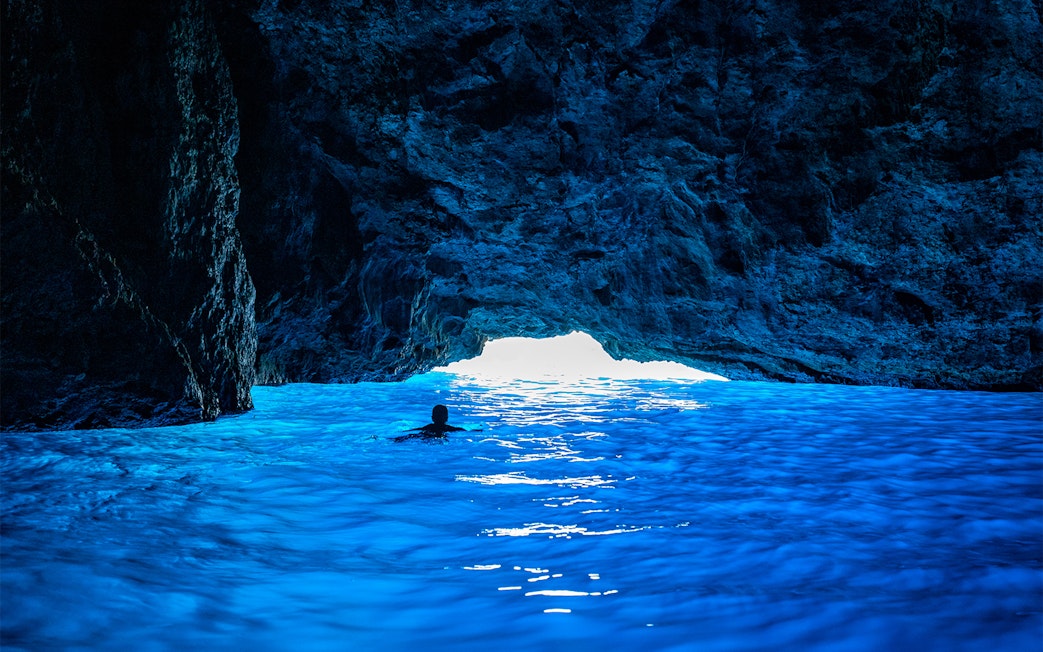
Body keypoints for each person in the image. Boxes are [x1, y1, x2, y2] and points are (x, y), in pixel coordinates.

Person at [393, 404, 466, 442]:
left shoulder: (428, 427)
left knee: (414, 436)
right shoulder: (450, 428)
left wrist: (404, 432)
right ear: (447, 418)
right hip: (442, 435)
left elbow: (416, 430)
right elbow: (462, 430)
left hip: (428, 435)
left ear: (432, 418)